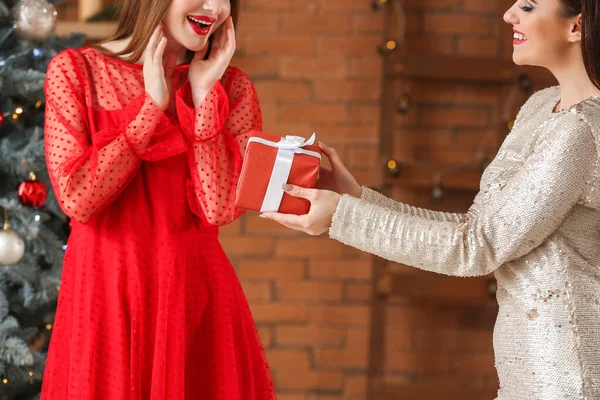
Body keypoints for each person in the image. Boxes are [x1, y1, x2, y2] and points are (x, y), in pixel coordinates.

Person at [261, 0, 600, 398]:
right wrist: (355, 197)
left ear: (577, 27)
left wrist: (344, 218)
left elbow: (478, 247)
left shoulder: (580, 130)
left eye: (527, 5)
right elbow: (474, 227)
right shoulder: (540, 106)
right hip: (523, 369)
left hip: (565, 376)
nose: (509, 14)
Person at [41, 0, 276, 398]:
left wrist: (203, 95)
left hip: (192, 306)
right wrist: (151, 108)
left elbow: (218, 207)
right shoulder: (76, 72)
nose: (216, 7)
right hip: (104, 304)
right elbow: (78, 198)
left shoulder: (231, 87)